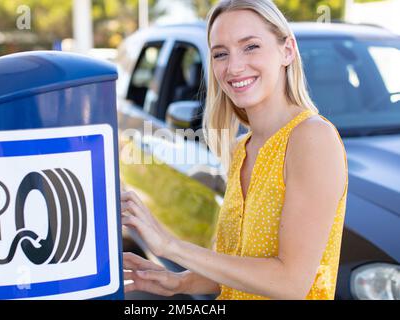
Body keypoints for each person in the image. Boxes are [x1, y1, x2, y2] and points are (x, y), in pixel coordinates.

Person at [121, 0, 348, 300]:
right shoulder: (241, 148)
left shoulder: (312, 138)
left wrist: (170, 246)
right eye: (220, 54)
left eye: (251, 46)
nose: (234, 66)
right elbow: (238, 268)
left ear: (287, 51)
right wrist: (181, 283)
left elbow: (291, 283)